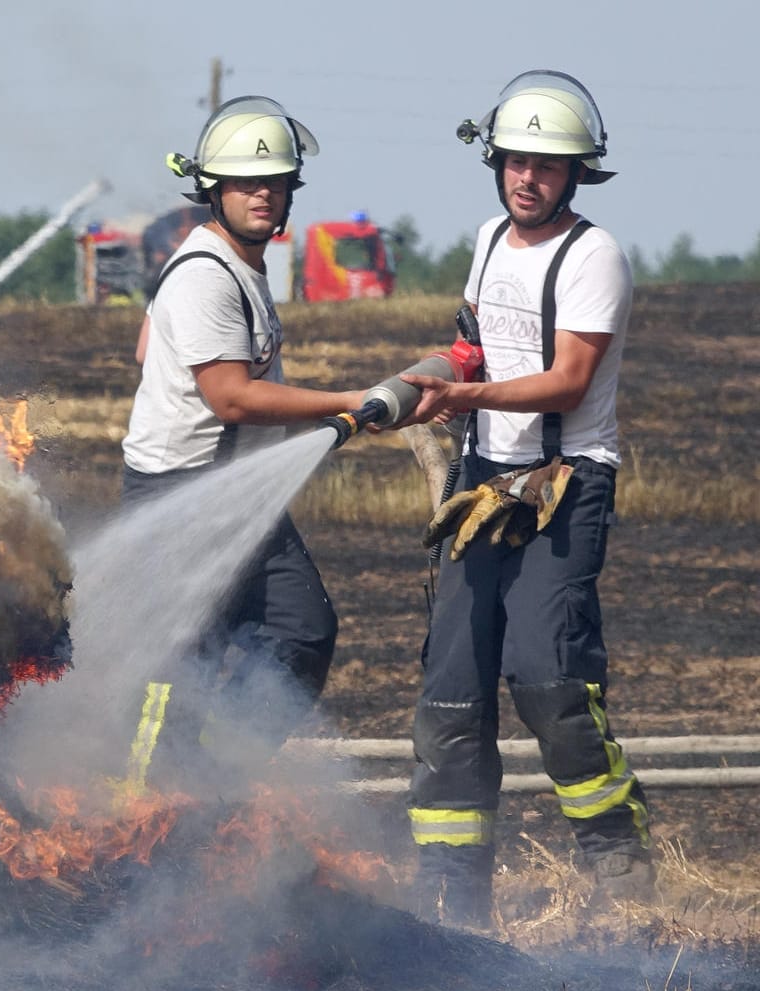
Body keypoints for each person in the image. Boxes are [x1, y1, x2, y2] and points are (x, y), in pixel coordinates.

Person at [400, 70, 652, 927]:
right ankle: (450, 897)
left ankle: (617, 862)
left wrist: (463, 398)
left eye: (546, 165)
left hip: (564, 485)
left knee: (547, 676)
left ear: (577, 173)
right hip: (483, 486)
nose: (527, 178)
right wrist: (422, 381)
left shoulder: (595, 256)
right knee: (452, 693)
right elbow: (472, 348)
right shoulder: (485, 241)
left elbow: (568, 382)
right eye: (514, 161)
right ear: (496, 162)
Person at [118, 97, 377, 791]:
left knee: (302, 629)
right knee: (177, 673)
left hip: (234, 494)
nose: (263, 193)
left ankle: (208, 783)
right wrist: (351, 400)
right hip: (183, 497)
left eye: (276, 181)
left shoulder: (230, 265)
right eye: (245, 181)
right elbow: (231, 395)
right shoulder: (207, 273)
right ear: (213, 190)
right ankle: (138, 820)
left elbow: (146, 346)